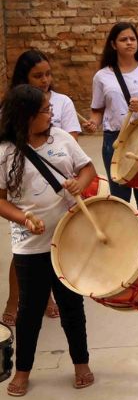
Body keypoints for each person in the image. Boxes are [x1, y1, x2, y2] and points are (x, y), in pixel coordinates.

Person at [0, 85, 96, 396]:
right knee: (30, 309)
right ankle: (23, 370)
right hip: (30, 244)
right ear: (27, 116)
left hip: (68, 238)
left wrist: (79, 185)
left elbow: (88, 168)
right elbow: (1, 200)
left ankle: (81, 363)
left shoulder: (62, 139)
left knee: (71, 305)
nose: (51, 113)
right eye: (44, 109)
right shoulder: (5, 151)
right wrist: (25, 219)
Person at [3, 49, 85, 326]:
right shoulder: (14, 105)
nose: (45, 80)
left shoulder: (62, 103)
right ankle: (14, 302)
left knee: (62, 248)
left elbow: (71, 145)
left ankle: (55, 295)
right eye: (38, 76)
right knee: (26, 254)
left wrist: (71, 174)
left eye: (48, 74)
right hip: (28, 191)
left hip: (58, 182)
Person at [88, 22, 138, 216]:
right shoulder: (102, 76)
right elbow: (97, 109)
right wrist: (93, 122)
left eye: (133, 39)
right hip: (114, 140)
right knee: (119, 196)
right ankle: (125, 241)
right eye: (124, 39)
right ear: (114, 45)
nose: (130, 43)